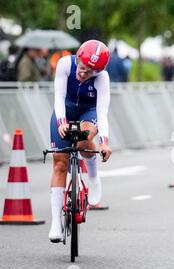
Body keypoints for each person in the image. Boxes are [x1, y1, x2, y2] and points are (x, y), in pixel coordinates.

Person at [48, 40, 112, 242]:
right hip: (65, 109)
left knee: (84, 141)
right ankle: (56, 223)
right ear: (78, 59)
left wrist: (104, 142)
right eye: (83, 69)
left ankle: (93, 176)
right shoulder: (65, 64)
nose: (84, 74)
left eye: (90, 72)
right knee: (60, 162)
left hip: (88, 111)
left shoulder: (102, 78)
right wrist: (61, 122)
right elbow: (58, 97)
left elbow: (102, 113)